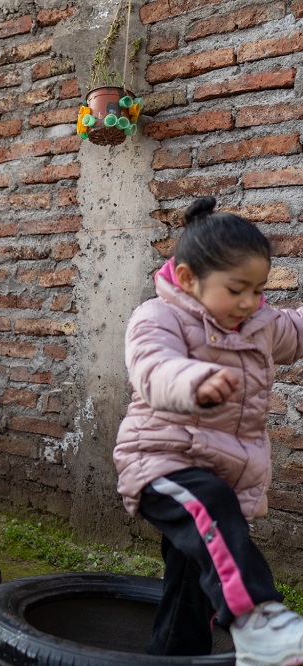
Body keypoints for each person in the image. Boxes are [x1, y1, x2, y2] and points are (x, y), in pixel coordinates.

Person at [114, 196, 303, 663]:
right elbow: (154, 370)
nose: (248, 302)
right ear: (186, 279)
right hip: (160, 461)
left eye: (258, 290)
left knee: (191, 583)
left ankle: (174, 654)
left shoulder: (259, 322)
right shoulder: (157, 318)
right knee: (212, 509)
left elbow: (297, 331)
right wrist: (196, 382)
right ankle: (257, 618)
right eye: (236, 289)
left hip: (213, 471)